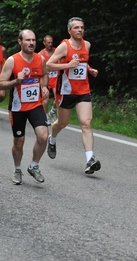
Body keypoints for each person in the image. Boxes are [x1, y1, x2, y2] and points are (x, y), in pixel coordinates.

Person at [46, 17, 101, 174]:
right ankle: (52, 138)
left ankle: (90, 159)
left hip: (83, 90)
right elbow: (48, 65)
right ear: (69, 31)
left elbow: (83, 62)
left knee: (86, 123)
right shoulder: (64, 47)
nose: (80, 30)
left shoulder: (87, 45)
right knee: (62, 123)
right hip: (66, 91)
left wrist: (90, 69)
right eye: (76, 28)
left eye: (82, 27)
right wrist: (67, 65)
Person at [0, 29, 49, 185]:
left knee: (43, 136)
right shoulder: (12, 61)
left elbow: (44, 75)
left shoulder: (40, 59)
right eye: (28, 40)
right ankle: (17, 169)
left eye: (33, 40)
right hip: (18, 107)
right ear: (20, 42)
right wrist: (16, 82)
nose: (31, 43)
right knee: (19, 142)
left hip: (35, 104)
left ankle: (34, 166)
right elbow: (0, 83)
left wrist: (44, 86)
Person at [38, 35, 58, 125]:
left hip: (56, 78)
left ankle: (53, 111)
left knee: (58, 99)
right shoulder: (40, 54)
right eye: (48, 43)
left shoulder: (57, 51)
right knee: (45, 99)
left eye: (51, 42)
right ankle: (45, 117)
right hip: (46, 79)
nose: (50, 44)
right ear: (44, 43)